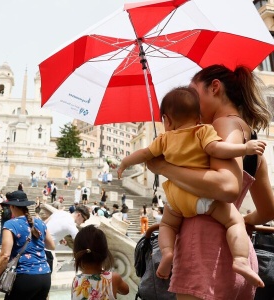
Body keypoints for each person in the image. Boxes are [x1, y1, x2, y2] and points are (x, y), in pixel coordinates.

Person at [145, 65, 274, 299]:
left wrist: (164, 167)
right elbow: (268, 210)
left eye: (194, 95)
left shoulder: (220, 126)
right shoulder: (251, 141)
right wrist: (238, 222)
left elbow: (227, 186)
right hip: (239, 256)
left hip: (204, 252)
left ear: (214, 88)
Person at [118, 86, 265, 284]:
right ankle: (240, 260)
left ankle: (167, 253)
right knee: (234, 221)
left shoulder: (164, 139)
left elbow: (144, 154)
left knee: (167, 225)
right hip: (203, 199)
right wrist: (244, 148)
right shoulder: (204, 131)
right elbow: (217, 149)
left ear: (167, 121)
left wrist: (125, 163)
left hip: (176, 200)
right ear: (198, 116)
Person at [0, 190, 55, 299]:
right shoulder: (40, 222)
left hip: (24, 276)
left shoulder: (10, 224)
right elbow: (51, 246)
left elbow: (5, 256)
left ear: (13, 207)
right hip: (45, 276)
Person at [71, 225, 129, 299]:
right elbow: (126, 291)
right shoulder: (113, 278)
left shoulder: (76, 280)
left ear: (77, 254)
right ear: (105, 253)